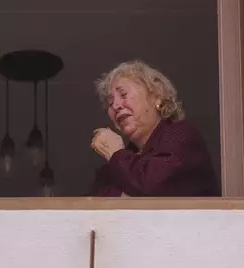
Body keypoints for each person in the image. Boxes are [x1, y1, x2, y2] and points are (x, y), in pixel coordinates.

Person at [89, 60, 220, 197]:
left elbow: (151, 187)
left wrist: (115, 153)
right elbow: (98, 195)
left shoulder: (182, 136)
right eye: (110, 102)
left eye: (123, 95)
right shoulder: (128, 154)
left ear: (157, 97)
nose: (116, 106)